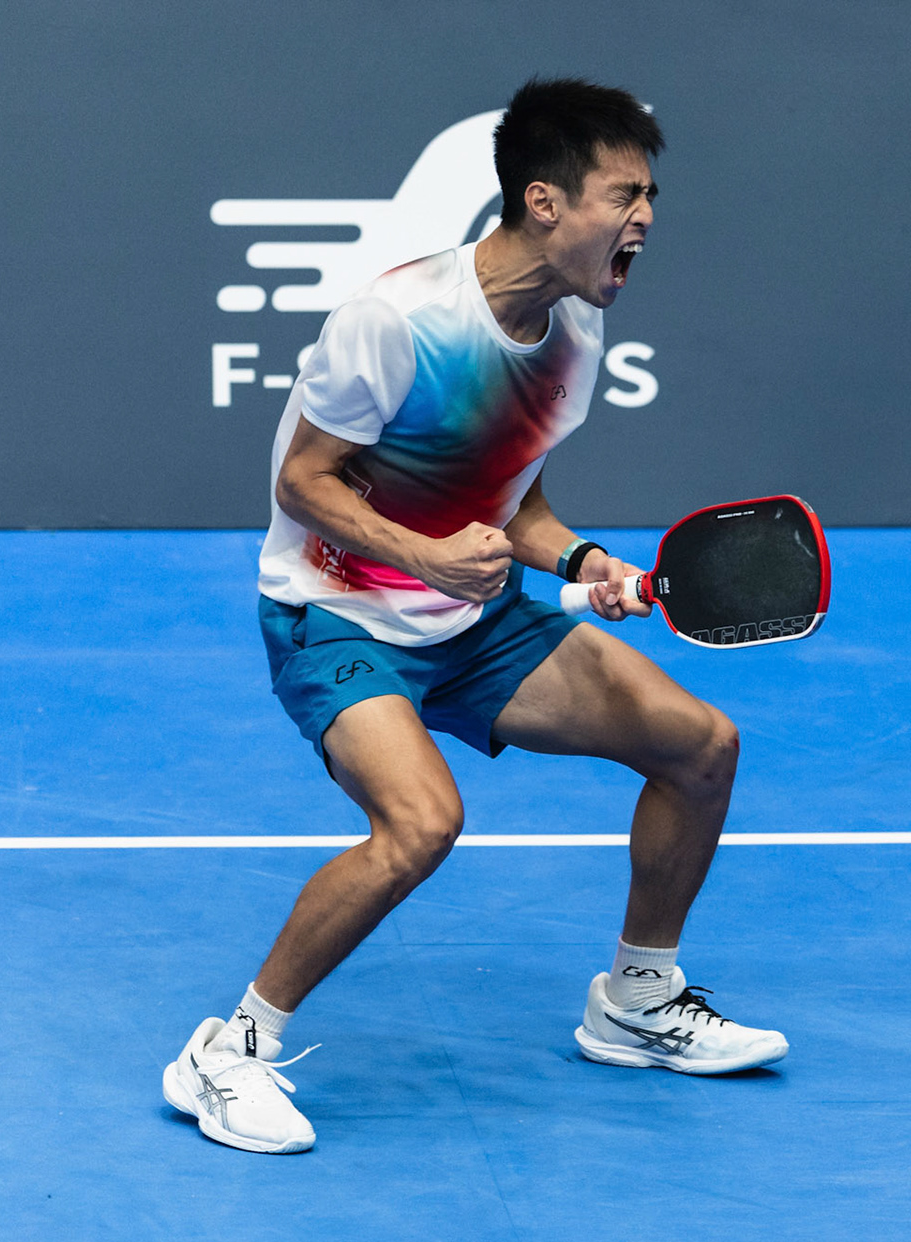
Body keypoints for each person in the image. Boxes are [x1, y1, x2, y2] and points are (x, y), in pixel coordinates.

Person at [164, 77, 787, 1154]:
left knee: (700, 745)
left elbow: (512, 493)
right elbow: (306, 483)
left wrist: (584, 561)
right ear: (544, 201)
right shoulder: (398, 319)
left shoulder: (573, 337)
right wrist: (428, 557)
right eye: (624, 194)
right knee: (422, 821)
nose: (646, 218)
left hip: (476, 621)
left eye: (651, 197)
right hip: (336, 615)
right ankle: (231, 1050)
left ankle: (637, 1000)